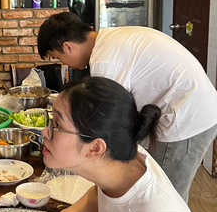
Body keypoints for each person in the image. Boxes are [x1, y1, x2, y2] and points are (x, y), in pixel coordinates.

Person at [34, 76, 213, 212]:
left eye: (57, 125)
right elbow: (105, 195)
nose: (45, 131)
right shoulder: (122, 163)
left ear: (95, 148)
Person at [37, 12, 217, 202]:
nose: (63, 64)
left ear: (68, 46)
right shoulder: (110, 40)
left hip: (188, 116)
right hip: (184, 107)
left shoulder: (105, 61)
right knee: (149, 180)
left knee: (166, 194)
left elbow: (108, 122)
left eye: (58, 57)